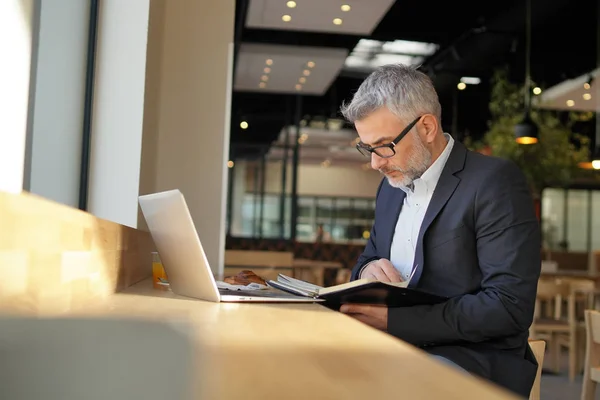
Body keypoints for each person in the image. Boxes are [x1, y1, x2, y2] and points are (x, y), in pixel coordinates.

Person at [338, 64, 541, 397]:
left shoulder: (493, 182)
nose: (375, 163)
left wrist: (393, 323)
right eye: (367, 148)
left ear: (427, 127)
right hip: (391, 348)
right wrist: (367, 269)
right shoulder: (390, 188)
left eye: (384, 146)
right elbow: (369, 258)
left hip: (472, 359)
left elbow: (508, 307)